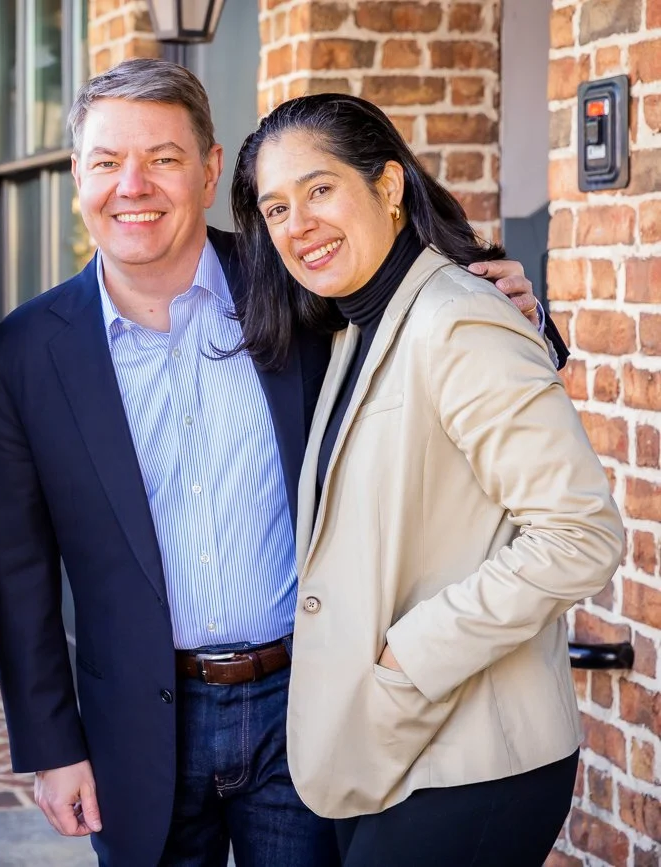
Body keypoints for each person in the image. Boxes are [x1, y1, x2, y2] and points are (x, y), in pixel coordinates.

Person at [0, 58, 563, 867]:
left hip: (312, 700)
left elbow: (432, 323)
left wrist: (521, 308)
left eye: (164, 159)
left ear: (211, 171)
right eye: (107, 161)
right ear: (78, 175)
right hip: (141, 726)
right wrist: (52, 745)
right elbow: (18, 571)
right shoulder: (20, 356)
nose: (132, 185)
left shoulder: (301, 283)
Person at [229, 92, 622, 867]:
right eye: (275, 208)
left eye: (319, 189)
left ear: (388, 186)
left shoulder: (457, 319)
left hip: (474, 756)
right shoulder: (358, 328)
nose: (297, 224)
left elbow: (582, 534)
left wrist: (410, 656)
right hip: (396, 746)